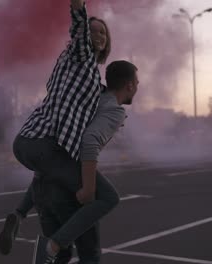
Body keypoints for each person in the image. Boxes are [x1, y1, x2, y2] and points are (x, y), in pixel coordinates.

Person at [0, 0, 111, 256]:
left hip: (32, 142)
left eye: (103, 32)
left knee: (50, 174)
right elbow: (80, 23)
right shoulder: (79, 55)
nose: (98, 35)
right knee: (101, 199)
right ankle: (54, 244)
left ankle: (19, 215)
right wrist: (79, 7)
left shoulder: (86, 71)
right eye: (94, 31)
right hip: (43, 142)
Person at [28, 60, 138, 263]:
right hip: (70, 176)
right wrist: (88, 188)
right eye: (137, 83)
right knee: (109, 200)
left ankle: (50, 247)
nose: (137, 87)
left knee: (62, 257)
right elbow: (89, 141)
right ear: (129, 85)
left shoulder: (93, 99)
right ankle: (52, 245)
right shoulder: (114, 109)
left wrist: (24, 205)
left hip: (47, 179)